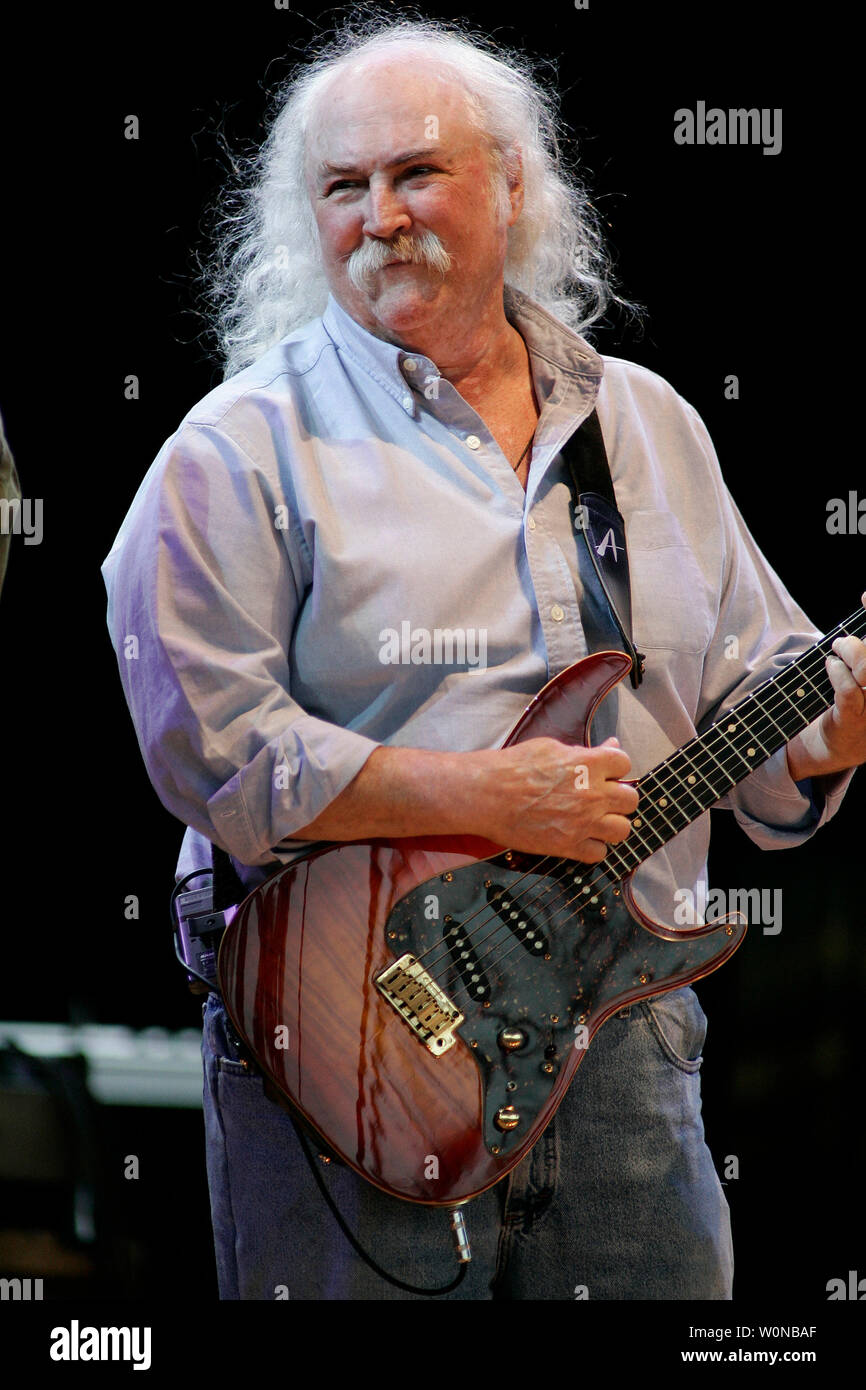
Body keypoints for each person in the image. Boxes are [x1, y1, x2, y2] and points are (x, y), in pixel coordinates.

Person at [101, 18, 865, 1300]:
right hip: (354, 1038)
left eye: (414, 174)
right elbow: (210, 750)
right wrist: (473, 797)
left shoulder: (648, 424)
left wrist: (824, 732)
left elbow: (763, 715)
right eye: (342, 189)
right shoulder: (234, 450)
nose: (380, 217)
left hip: (625, 1046)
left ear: (511, 186)